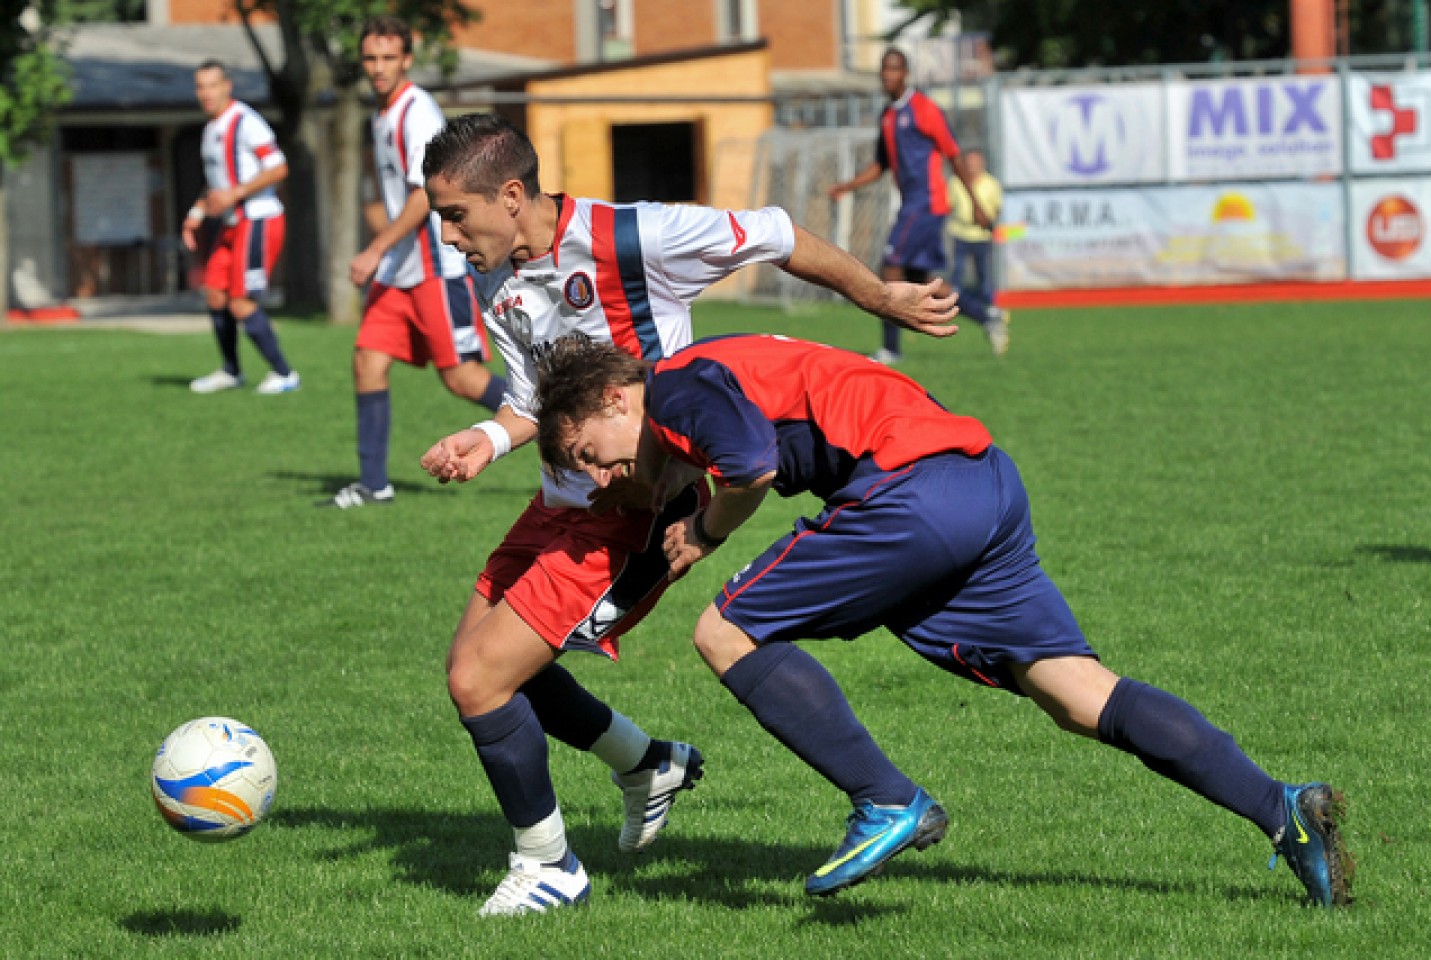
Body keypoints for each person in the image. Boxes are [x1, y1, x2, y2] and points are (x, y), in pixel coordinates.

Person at [531, 332, 1354, 908]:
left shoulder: (676, 386)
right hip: (982, 479)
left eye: (589, 453)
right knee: (1075, 694)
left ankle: (885, 799)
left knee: (725, 631)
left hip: (910, 488)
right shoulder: (713, 375)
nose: (600, 474)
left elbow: (750, 463)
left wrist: (707, 532)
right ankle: (1281, 810)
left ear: (614, 396)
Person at [414, 113, 963, 916]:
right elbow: (534, 396)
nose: (449, 235)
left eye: (455, 215)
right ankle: (646, 763)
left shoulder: (633, 239)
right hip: (555, 499)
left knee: (481, 681)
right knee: (478, 669)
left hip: (632, 510)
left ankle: (548, 867)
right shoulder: (495, 272)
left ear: (509, 194)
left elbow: (775, 233)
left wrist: (878, 296)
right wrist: (487, 438)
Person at [320, 17, 508, 509]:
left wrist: (375, 247)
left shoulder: (416, 112)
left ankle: (565, 422)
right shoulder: (381, 114)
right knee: (367, 362)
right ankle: (374, 484)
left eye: (387, 58)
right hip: (399, 271)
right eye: (370, 58)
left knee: (463, 380)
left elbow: (426, 197)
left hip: (432, 267)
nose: (377, 68)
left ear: (406, 59)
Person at [828, 47, 1009, 362]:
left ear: (906, 73)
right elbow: (880, 166)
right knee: (924, 282)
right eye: (884, 69)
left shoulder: (924, 109)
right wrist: (847, 186)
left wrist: (977, 204)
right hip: (912, 205)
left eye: (894, 69)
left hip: (926, 204)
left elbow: (953, 153)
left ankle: (891, 349)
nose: (888, 75)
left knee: (890, 269)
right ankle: (987, 317)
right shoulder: (888, 116)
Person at [182, 60, 300, 395]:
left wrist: (236, 193)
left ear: (226, 86)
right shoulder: (211, 130)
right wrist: (197, 211)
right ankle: (231, 371)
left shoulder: (245, 121)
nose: (206, 93)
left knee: (242, 303)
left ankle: (284, 373)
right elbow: (216, 184)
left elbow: (278, 168)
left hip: (259, 218)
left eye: (212, 85)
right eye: (200, 86)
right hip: (233, 222)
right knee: (215, 294)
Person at [947, 149, 1006, 337]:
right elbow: (948, 204)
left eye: (974, 162)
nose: (971, 166)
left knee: (984, 276)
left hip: (981, 235)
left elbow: (997, 208)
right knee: (957, 275)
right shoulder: (956, 182)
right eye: (968, 162)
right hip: (960, 233)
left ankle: (988, 308)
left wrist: (986, 220)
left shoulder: (991, 183)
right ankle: (952, 306)